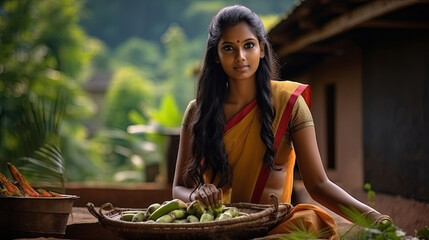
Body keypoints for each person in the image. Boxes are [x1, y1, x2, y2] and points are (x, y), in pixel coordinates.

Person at [172, 5, 392, 239]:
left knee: (311, 222)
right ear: (216, 55)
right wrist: (197, 195)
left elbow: (318, 184)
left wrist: (375, 219)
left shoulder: (289, 102)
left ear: (262, 49)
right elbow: (178, 188)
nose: (240, 57)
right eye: (228, 48)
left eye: (248, 45)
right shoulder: (198, 111)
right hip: (219, 228)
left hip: (273, 229)